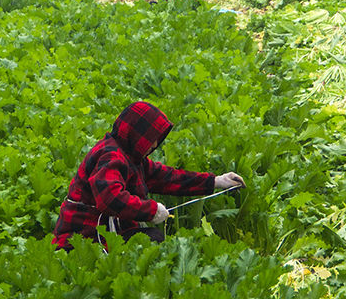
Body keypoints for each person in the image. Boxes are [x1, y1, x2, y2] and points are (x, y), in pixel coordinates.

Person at [52, 101, 244, 251]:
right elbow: (110, 198)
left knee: (150, 239)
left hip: (105, 232)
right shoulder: (111, 156)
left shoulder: (131, 157)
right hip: (81, 239)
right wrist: (150, 210)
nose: (153, 146)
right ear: (136, 134)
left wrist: (216, 181)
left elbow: (167, 178)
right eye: (151, 140)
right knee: (152, 240)